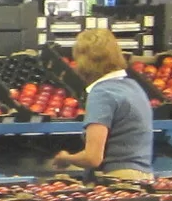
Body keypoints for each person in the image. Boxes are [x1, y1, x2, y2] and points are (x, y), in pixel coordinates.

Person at [51, 25, 154, 178]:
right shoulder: (134, 86)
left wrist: (66, 158)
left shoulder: (102, 93)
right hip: (143, 177)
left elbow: (92, 158)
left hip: (119, 178)